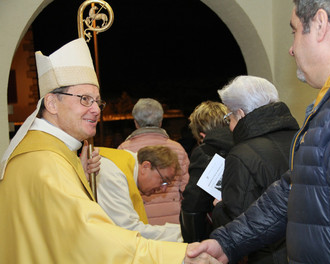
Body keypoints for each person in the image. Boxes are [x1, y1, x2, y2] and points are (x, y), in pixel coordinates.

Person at [0, 38, 218, 264]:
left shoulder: (45, 152)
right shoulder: (46, 163)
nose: (96, 110)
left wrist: (80, 175)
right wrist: (180, 255)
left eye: (97, 101)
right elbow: (94, 241)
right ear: (52, 103)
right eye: (85, 99)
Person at [187, 1, 330, 263]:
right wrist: (228, 242)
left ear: (319, 25)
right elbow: (293, 191)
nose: (291, 48)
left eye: (295, 31)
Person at [211, 75, 299, 264]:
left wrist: (219, 208)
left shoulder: (241, 154)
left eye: (229, 117)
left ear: (241, 114)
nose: (229, 125)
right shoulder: (303, 138)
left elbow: (238, 221)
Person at [118, 98, 190, 225]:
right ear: (161, 122)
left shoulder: (124, 150)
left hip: (140, 224)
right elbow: (186, 190)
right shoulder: (177, 149)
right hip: (173, 224)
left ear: (135, 123)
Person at [97, 145, 183, 242]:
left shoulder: (126, 164)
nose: (163, 189)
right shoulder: (114, 175)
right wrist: (182, 233)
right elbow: (129, 230)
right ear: (146, 166)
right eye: (163, 180)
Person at [180, 101, 234, 243]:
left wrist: (193, 244)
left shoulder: (205, 152)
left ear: (202, 135)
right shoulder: (244, 143)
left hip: (220, 233)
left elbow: (194, 202)